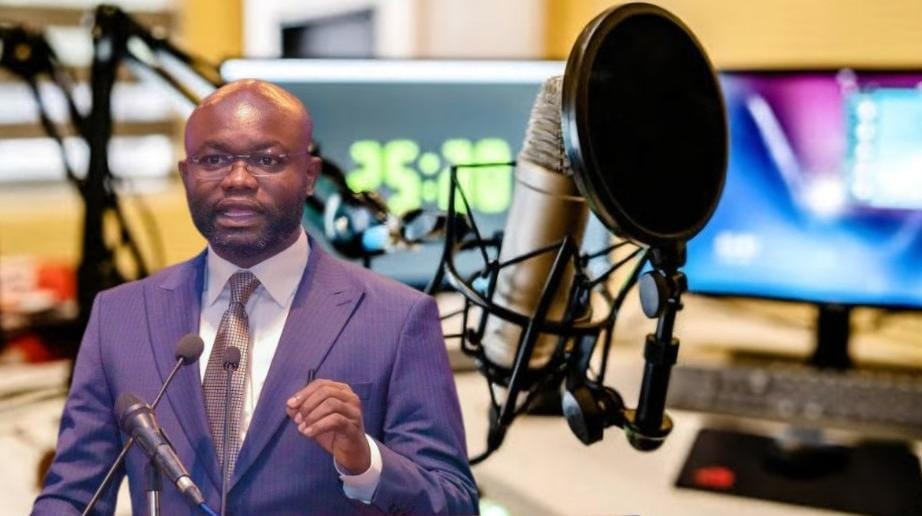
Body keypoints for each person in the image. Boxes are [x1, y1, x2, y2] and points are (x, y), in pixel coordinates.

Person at [33, 80, 479, 514]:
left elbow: (454, 502)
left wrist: (364, 461)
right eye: (214, 159)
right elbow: (73, 497)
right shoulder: (121, 315)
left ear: (309, 176)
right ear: (186, 175)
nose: (238, 179)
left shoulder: (396, 318)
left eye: (266, 160)